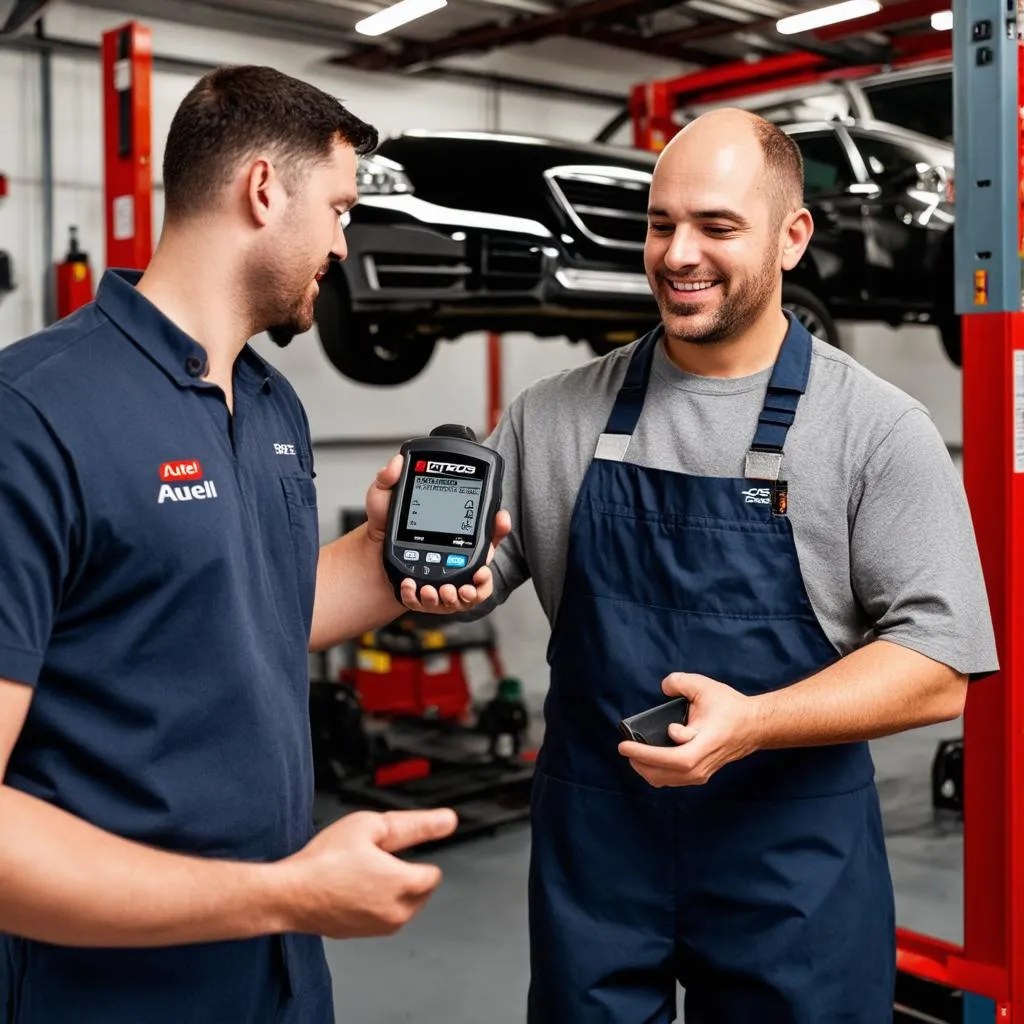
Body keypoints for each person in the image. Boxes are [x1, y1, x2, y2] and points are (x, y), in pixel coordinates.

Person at [0, 66, 508, 1024]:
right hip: (108, 991)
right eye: (340, 210)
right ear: (265, 189)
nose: (344, 246)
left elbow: (247, 609)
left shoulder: (274, 404)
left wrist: (384, 560)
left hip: (277, 979)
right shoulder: (32, 416)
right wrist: (281, 894)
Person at [479, 108, 997, 1023]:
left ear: (792, 236)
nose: (679, 254)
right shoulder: (553, 416)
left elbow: (938, 669)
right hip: (599, 857)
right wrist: (422, 566)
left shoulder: (876, 430)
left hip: (789, 866)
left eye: (717, 227)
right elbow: (468, 577)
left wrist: (755, 722)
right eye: (659, 223)